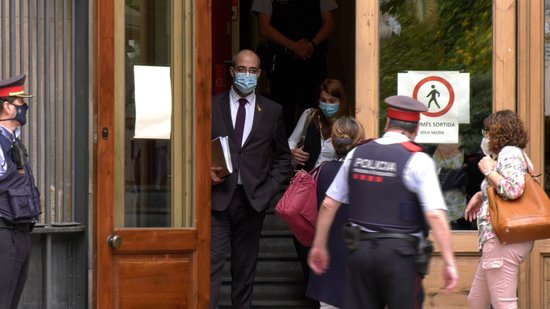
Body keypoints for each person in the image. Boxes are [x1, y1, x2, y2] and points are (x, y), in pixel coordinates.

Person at [308, 95, 459, 308]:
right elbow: (435, 214)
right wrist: (449, 261)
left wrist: (319, 245)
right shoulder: (418, 160)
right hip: (400, 257)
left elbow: (328, 204)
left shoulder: (357, 154)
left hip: (360, 253)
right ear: (416, 130)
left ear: (387, 123)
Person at [210, 49, 292, 309]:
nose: (248, 75)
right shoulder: (211, 105)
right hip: (217, 200)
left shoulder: (272, 110)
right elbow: (191, 148)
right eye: (243, 70)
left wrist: (268, 190)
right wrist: (201, 172)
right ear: (233, 71)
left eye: (253, 71)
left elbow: (283, 158)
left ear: (259, 74)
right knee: (209, 271)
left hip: (252, 202)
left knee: (244, 274)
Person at [287, 78, 352, 308]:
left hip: (332, 193)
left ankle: (323, 299)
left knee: (328, 246)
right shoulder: (310, 116)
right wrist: (294, 154)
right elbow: (291, 142)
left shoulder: (348, 125)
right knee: (304, 243)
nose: (327, 105)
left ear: (341, 102)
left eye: (332, 101)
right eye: (323, 100)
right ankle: (314, 296)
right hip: (306, 191)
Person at [464, 110, 534, 309]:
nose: (484, 138)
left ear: (496, 132)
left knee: (504, 304)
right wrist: (481, 195)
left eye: (486, 132)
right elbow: (505, 187)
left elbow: (513, 189)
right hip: (501, 240)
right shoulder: (516, 154)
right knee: (477, 301)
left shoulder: (509, 153)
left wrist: (488, 170)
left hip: (502, 239)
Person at [251, 0, 338, 136]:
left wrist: (311, 45)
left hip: (313, 60)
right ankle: (284, 154)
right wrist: (293, 46)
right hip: (282, 61)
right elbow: (264, 27)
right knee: (282, 114)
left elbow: (330, 23)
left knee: (315, 111)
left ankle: (315, 151)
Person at [306, 116, 364, 309]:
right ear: (359, 140)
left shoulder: (321, 171)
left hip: (327, 254)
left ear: (333, 140)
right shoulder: (364, 174)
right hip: (357, 252)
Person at [0, 74, 41, 308]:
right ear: (7, 106)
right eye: (20, 102)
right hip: (4, 233)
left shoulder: (14, 140)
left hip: (20, 231)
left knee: (11, 301)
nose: (25, 106)